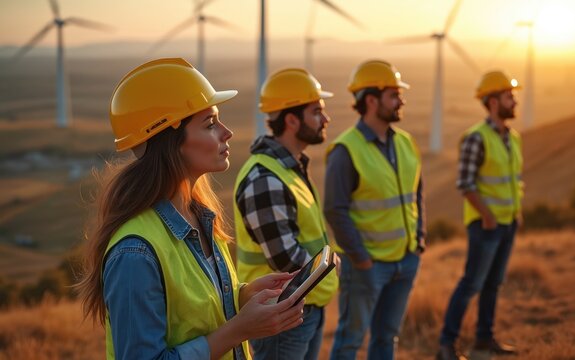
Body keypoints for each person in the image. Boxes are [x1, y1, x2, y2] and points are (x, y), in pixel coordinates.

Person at [77, 58, 305, 360]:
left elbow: (190, 316)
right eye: (210, 124)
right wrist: (239, 329)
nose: (227, 133)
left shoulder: (202, 216)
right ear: (171, 142)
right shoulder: (134, 253)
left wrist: (242, 295)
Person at [233, 68, 339, 360]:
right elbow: (285, 258)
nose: (325, 119)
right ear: (291, 120)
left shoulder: (290, 167)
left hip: (304, 304)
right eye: (317, 111)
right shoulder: (265, 177)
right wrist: (331, 267)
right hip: (281, 313)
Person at [325, 59, 425, 360]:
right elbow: (335, 210)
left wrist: (419, 238)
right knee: (350, 341)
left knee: (387, 338)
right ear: (371, 100)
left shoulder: (406, 143)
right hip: (368, 265)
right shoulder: (346, 150)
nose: (401, 100)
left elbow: (416, 193)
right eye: (394, 95)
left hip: (405, 260)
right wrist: (362, 260)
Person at [436, 70, 523, 360]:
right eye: (509, 96)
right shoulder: (476, 138)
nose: (515, 101)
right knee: (471, 283)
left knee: (493, 284)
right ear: (493, 102)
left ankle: (484, 340)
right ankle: (446, 345)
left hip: (507, 223)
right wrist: (486, 215)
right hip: (486, 225)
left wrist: (515, 213)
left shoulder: (513, 138)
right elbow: (465, 183)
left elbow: (513, 180)